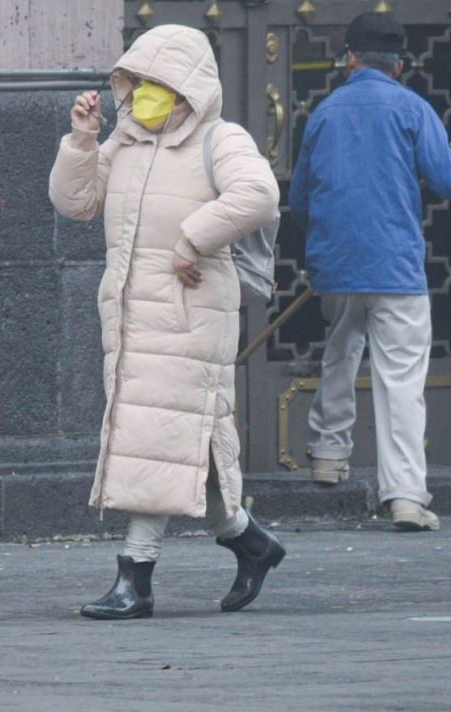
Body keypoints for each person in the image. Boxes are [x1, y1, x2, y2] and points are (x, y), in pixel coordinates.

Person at [49, 26, 285, 620]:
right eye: (139, 83)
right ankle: (250, 541)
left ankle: (135, 580)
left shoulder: (220, 139)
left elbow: (258, 193)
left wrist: (191, 238)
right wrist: (81, 140)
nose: (145, 96)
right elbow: (76, 204)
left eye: (159, 84)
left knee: (151, 441)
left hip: (189, 315)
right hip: (131, 319)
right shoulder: (124, 142)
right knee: (175, 446)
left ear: (188, 89)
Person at [289, 13, 451, 532]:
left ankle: (328, 455)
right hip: (395, 268)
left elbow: (300, 198)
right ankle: (405, 498)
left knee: (340, 353)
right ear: (398, 63)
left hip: (337, 264)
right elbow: (448, 182)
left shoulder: (324, 112)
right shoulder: (413, 108)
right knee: (400, 382)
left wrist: (328, 244)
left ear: (349, 58)